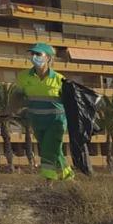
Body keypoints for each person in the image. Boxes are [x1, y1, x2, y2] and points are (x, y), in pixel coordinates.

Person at [17, 42, 73, 180]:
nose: (34, 56)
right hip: (36, 121)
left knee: (48, 150)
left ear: (48, 58)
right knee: (54, 151)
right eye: (33, 54)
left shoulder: (60, 79)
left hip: (56, 122)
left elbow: (71, 102)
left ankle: (49, 180)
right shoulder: (23, 77)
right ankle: (68, 177)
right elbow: (17, 96)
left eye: (38, 54)